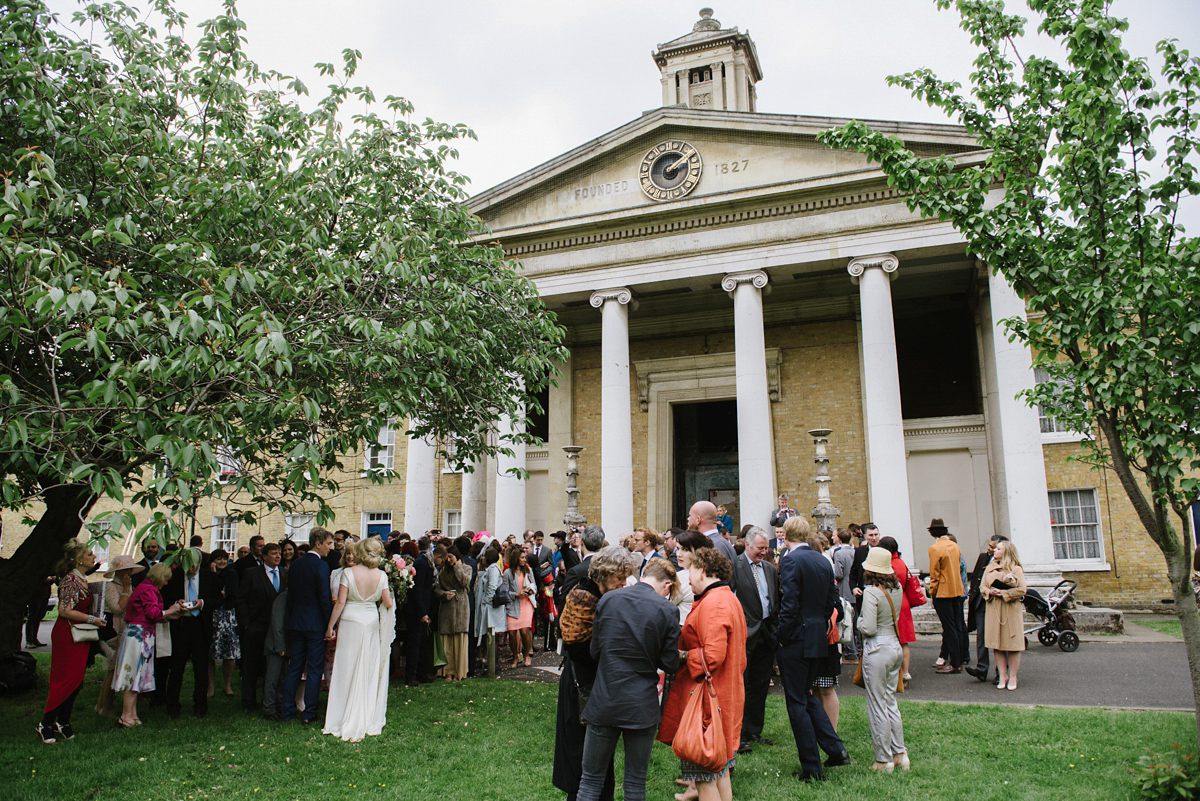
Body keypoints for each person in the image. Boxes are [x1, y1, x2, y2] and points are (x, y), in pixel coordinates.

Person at [576, 556, 681, 801]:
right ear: (666, 585)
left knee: (590, 782)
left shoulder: (610, 599)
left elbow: (595, 650)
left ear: (644, 575)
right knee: (635, 784)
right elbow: (669, 663)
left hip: (605, 697)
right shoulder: (667, 609)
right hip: (641, 703)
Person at [553, 546, 642, 801]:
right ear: (605, 574)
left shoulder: (601, 594)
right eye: (620, 578)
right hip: (582, 682)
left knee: (599, 754)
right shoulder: (584, 595)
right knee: (582, 752)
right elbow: (577, 645)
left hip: (593, 681)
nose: (624, 583)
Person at [659, 547, 746, 801]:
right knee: (719, 772)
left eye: (691, 570)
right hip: (722, 696)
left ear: (704, 571)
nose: (687, 577)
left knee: (705, 776)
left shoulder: (714, 603)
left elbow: (712, 657)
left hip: (708, 701)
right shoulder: (725, 597)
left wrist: (683, 655)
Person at [775, 515, 848, 782]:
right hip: (818, 635)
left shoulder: (791, 559)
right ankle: (835, 748)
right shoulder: (822, 559)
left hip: (796, 637)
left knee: (796, 701)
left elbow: (790, 601)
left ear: (785, 535)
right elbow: (832, 600)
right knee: (805, 695)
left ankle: (812, 768)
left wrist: (781, 635)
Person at [322, 537, 395, 741]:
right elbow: (388, 602)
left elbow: (340, 603)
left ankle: (340, 716)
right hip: (370, 620)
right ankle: (366, 713)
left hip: (350, 620)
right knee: (367, 667)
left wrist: (330, 626)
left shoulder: (348, 572)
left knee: (346, 666)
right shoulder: (381, 576)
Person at [37, 540, 104, 743]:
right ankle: (46, 723)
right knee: (64, 678)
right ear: (78, 559)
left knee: (76, 680)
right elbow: (64, 610)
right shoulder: (70, 580)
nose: (94, 557)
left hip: (80, 633)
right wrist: (93, 619)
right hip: (67, 633)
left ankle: (63, 721)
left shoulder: (83, 578)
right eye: (90, 554)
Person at [113, 562, 184, 729]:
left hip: (143, 634)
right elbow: (153, 613)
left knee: (138, 674)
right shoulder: (148, 590)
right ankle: (125, 716)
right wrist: (171, 609)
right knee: (133, 674)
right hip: (138, 636)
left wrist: (170, 614)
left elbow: (154, 615)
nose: (166, 583)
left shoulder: (146, 588)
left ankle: (132, 714)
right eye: (165, 579)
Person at [857, 546, 909, 772]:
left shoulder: (871, 591)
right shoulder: (896, 587)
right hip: (894, 646)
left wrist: (856, 621)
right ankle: (900, 754)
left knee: (877, 705)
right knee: (890, 702)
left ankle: (883, 759)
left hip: (877, 647)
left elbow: (868, 627)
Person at [730, 526, 778, 753]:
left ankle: (754, 729)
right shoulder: (734, 567)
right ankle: (737, 734)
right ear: (747, 545)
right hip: (744, 635)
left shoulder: (769, 568)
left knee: (760, 684)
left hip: (766, 634)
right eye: (760, 548)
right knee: (741, 685)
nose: (763, 552)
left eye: (766, 548)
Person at [283, 527, 334, 723]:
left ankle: (287, 711)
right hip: (315, 624)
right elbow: (323, 597)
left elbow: (291, 596)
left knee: (294, 667)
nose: (330, 548)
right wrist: (329, 623)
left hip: (296, 622)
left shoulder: (295, 564)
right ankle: (309, 713)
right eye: (328, 544)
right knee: (314, 669)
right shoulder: (321, 566)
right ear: (318, 543)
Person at [162, 548, 220, 719]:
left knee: (201, 668)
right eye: (188, 565)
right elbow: (164, 598)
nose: (191, 569)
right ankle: (172, 705)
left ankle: (200, 706)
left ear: (200, 563)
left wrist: (202, 603)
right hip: (181, 625)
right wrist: (175, 603)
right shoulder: (175, 577)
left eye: (194, 565)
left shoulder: (210, 577)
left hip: (201, 626)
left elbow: (218, 600)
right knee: (177, 667)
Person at [237, 541, 285, 712]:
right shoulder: (251, 573)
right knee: (251, 665)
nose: (278, 556)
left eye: (279, 553)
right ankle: (248, 702)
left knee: (273, 668)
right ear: (264, 556)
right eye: (273, 553)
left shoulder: (285, 574)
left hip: (277, 628)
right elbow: (241, 599)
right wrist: (246, 625)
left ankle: (271, 700)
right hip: (256, 626)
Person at [95, 554, 144, 718]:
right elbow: (117, 608)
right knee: (112, 669)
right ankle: (105, 707)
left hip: (126, 628)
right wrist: (124, 590)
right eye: (126, 570)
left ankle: (101, 705)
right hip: (114, 630)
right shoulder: (111, 587)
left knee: (114, 669)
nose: (128, 573)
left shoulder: (129, 586)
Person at [804, 531, 843, 730]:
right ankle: (820, 727)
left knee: (827, 688)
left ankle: (832, 730)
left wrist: (826, 619)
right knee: (815, 688)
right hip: (813, 641)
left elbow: (839, 608)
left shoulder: (827, 577)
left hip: (826, 641)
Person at [981, 539, 1027, 691]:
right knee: (997, 645)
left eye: (999, 549)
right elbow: (982, 586)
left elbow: (1022, 590)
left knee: (1013, 645)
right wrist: (990, 592)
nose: (995, 550)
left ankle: (1013, 676)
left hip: (1010, 610)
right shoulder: (989, 568)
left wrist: (1004, 592)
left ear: (1006, 551)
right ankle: (1002, 675)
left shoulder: (1016, 568)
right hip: (993, 608)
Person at [927, 518, 966, 674]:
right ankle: (959, 658)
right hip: (957, 590)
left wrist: (932, 590)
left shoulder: (935, 548)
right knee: (956, 626)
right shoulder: (954, 546)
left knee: (949, 627)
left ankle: (955, 662)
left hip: (943, 592)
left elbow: (934, 574)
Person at [966, 535, 1007, 682]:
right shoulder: (983, 557)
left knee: (999, 638)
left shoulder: (1007, 563)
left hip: (997, 604)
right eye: (990, 546)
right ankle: (982, 669)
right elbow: (977, 576)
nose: (989, 549)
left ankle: (1001, 672)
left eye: (993, 547)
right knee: (981, 636)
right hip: (980, 602)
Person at [877, 537, 916, 683]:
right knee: (903, 640)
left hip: (891, 602)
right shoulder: (901, 562)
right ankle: (905, 672)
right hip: (904, 601)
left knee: (892, 639)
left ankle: (896, 674)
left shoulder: (887, 565)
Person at [434, 544, 472, 681]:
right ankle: (447, 671)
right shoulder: (442, 571)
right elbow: (437, 589)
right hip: (447, 607)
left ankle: (459, 671)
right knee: (447, 641)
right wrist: (444, 594)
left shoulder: (467, 568)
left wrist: (457, 566)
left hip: (461, 606)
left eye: (451, 557)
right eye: (447, 557)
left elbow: (464, 582)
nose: (449, 560)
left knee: (459, 638)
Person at [207, 548, 240, 698]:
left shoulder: (231, 574)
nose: (221, 562)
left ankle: (227, 685)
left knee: (229, 653)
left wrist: (223, 594)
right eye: (218, 559)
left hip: (228, 616)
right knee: (210, 653)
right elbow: (210, 592)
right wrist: (213, 576)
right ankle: (210, 687)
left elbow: (232, 594)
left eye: (224, 559)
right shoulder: (208, 574)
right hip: (212, 615)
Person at [402, 535, 435, 686]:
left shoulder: (424, 562)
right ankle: (411, 674)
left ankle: (421, 672)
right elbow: (418, 590)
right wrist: (422, 613)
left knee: (421, 642)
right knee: (415, 643)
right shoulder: (422, 563)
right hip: (417, 611)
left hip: (423, 608)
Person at [503, 545, 537, 667]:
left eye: (525, 557)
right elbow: (505, 591)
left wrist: (531, 590)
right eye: (522, 557)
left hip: (526, 603)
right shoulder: (508, 573)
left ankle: (527, 654)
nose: (524, 560)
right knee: (512, 632)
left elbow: (534, 585)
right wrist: (516, 594)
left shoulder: (528, 570)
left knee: (524, 630)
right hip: (513, 604)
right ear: (516, 558)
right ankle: (515, 656)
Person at [830, 528, 858, 663]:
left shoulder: (839, 554)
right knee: (857, 620)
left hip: (844, 589)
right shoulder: (855, 551)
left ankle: (851, 651)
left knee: (848, 621)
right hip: (855, 588)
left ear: (840, 539)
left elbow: (838, 574)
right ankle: (858, 648)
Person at [687, 501, 737, 565]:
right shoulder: (724, 543)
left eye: (690, 516)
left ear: (698, 519)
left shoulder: (711, 546)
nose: (688, 519)